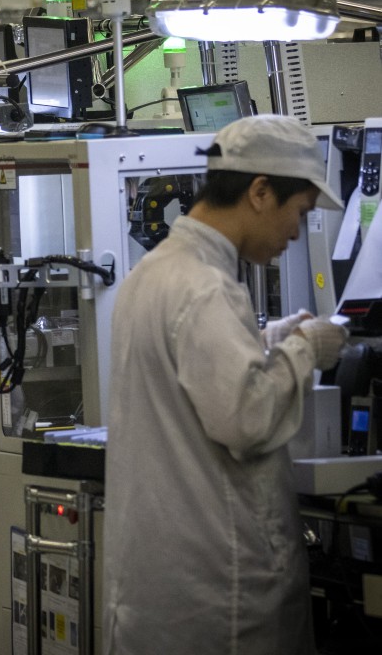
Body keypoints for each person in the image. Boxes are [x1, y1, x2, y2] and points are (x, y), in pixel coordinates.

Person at [102, 115, 350, 655]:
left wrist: (269, 341)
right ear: (261, 192)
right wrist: (308, 349)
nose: (295, 232)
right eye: (300, 212)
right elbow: (245, 417)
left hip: (161, 592)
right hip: (218, 596)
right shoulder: (206, 286)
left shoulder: (155, 272)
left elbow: (195, 377)